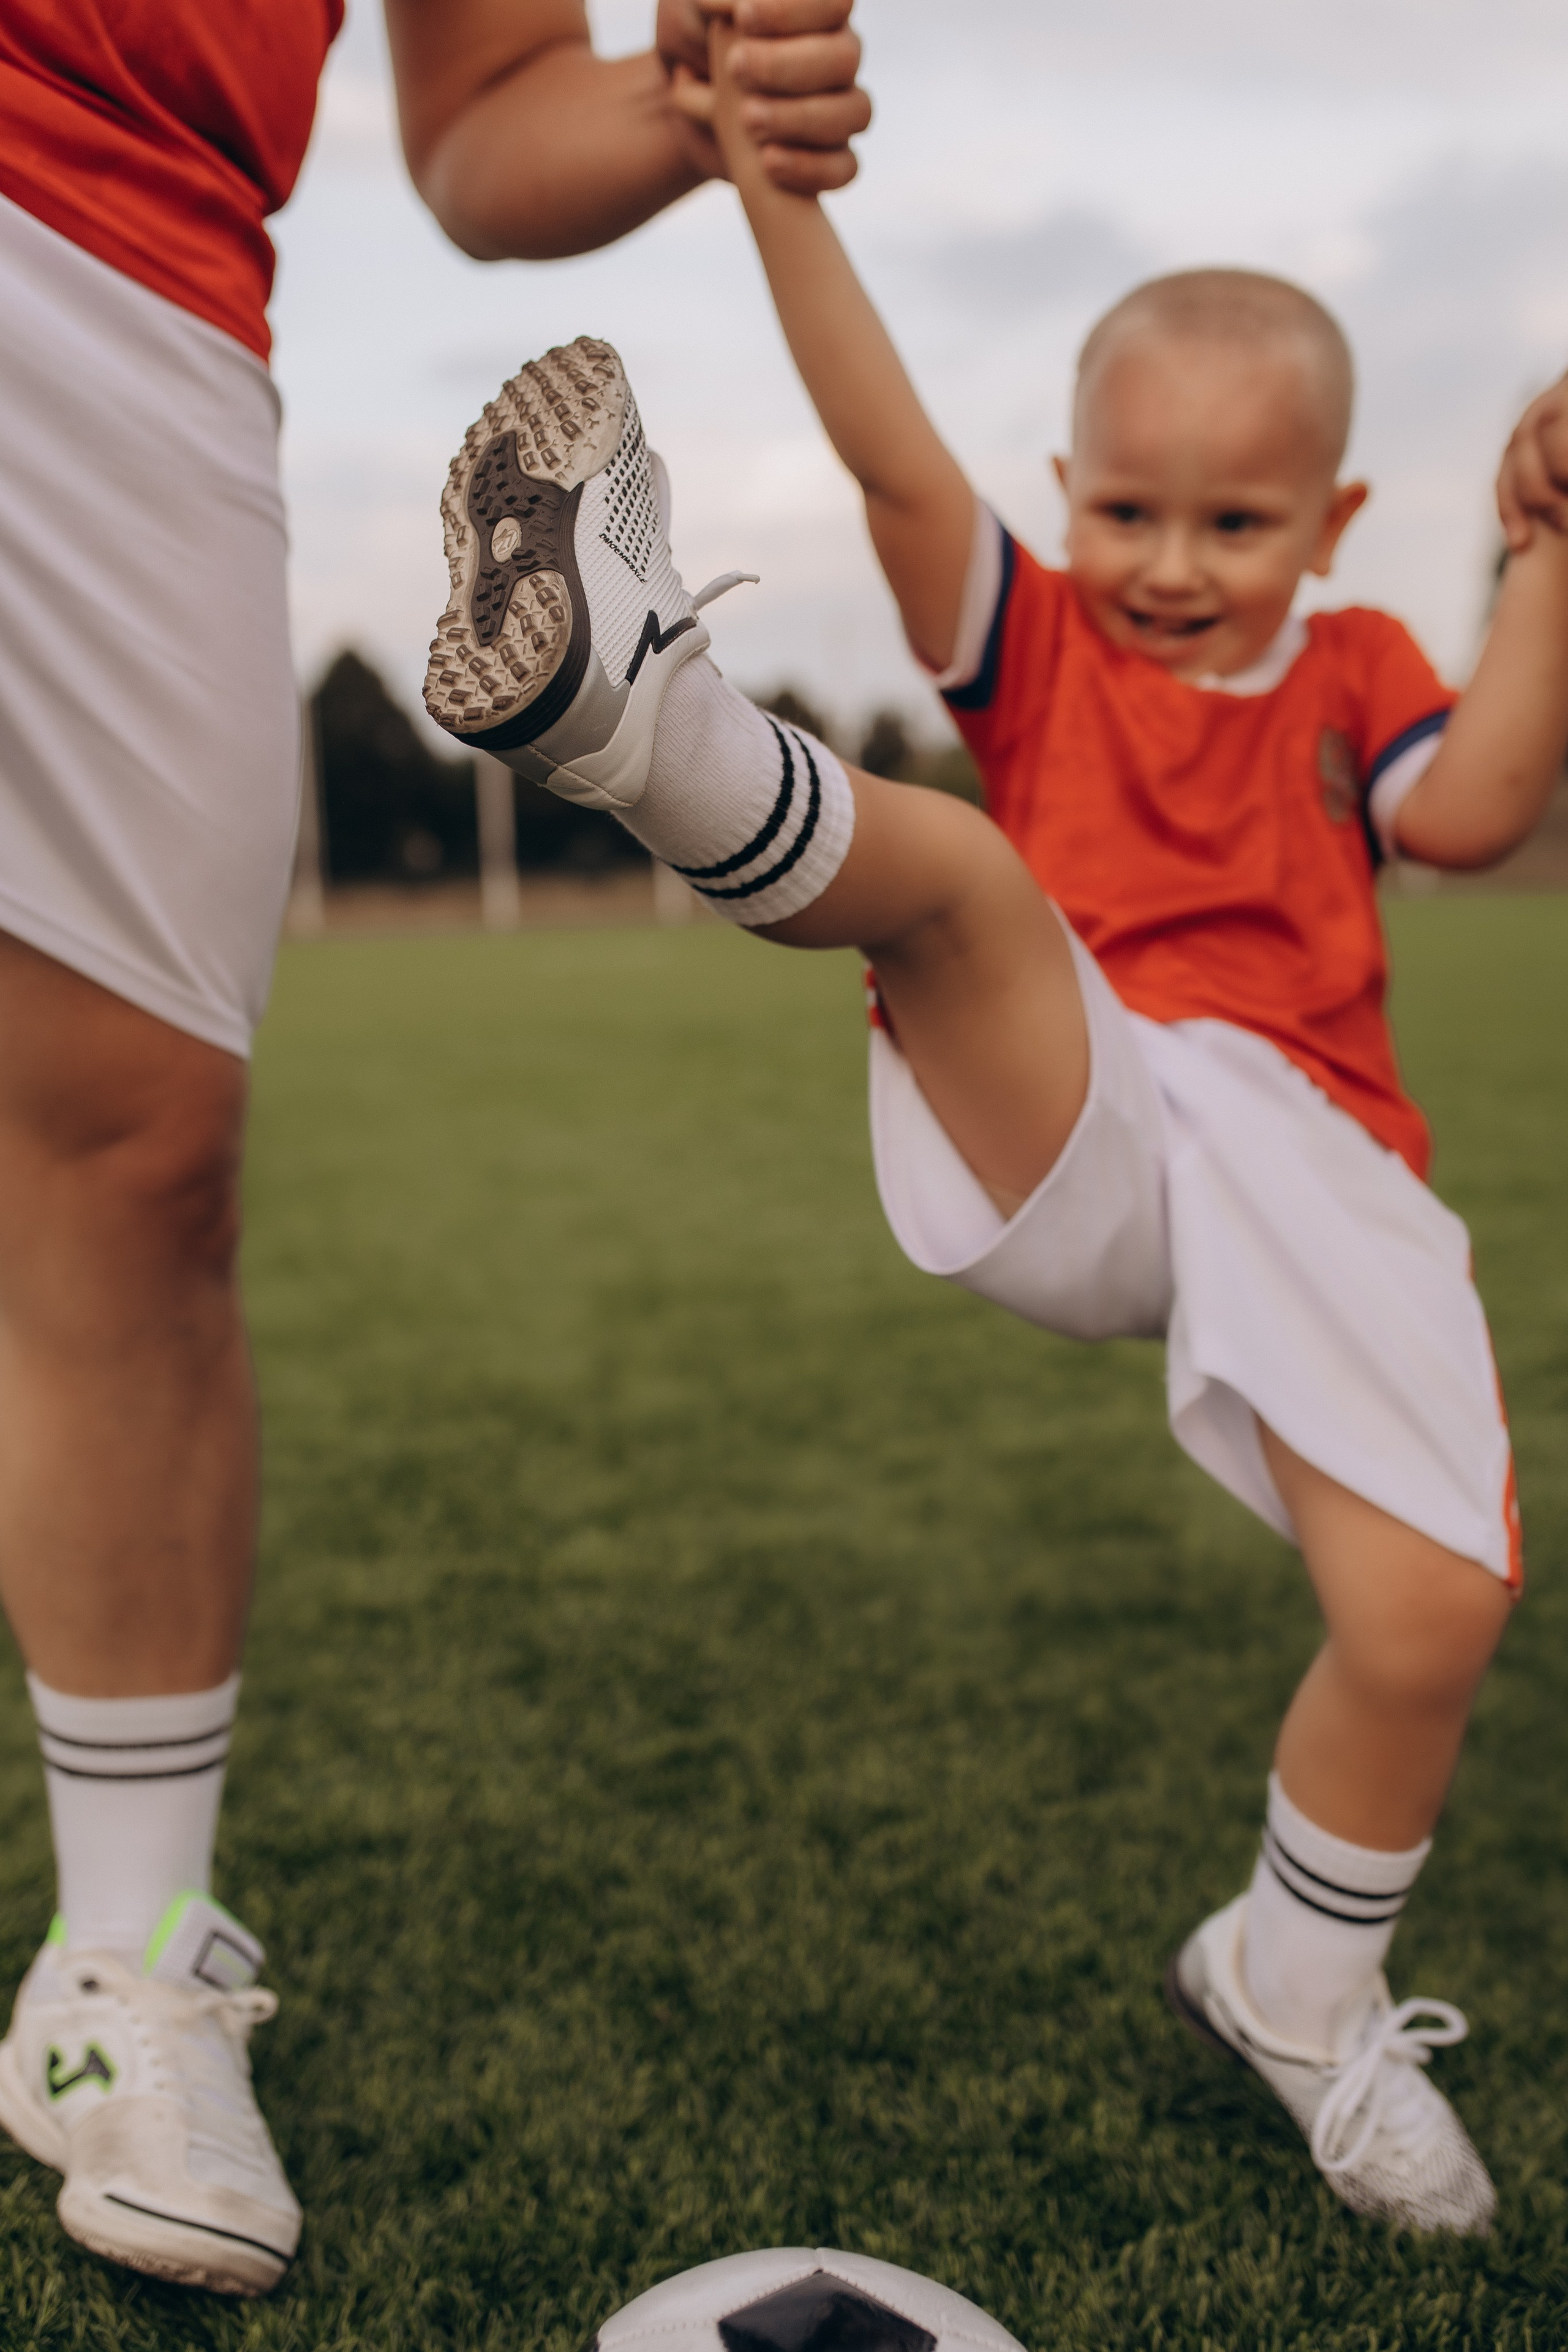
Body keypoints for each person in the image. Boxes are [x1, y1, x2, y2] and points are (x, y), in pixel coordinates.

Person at [423, 27, 1568, 2236]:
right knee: (959, 876)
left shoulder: (1354, 679)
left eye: (1234, 524)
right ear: (1069, 490)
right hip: (1088, 1096)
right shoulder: (1038, 647)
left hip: (1316, 1165)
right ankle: (642, 717)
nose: (1163, 561)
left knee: (1429, 1616)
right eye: (1125, 508)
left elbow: (1489, 804)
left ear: (1330, 527)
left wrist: (1545, 550)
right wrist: (771, 180)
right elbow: (891, 457)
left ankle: (1295, 1986)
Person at [0, 0, 869, 2299]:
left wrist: (692, 99)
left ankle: (121, 1972)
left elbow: (483, 126)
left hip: (128, 273)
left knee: (140, 1155)